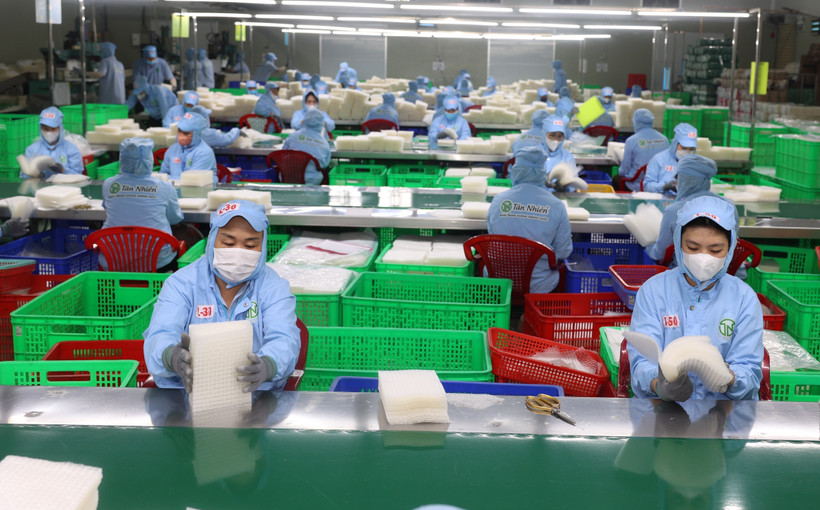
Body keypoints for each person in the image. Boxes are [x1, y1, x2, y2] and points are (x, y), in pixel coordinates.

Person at [143, 199, 301, 392]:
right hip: (185, 394)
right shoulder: (182, 284)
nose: (238, 253)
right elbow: (160, 334)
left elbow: (285, 338)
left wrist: (268, 365)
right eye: (228, 243)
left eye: (250, 246)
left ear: (263, 246)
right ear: (212, 240)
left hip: (257, 396)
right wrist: (171, 357)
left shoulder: (274, 288)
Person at [627, 195, 763, 401]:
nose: (703, 258)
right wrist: (659, 386)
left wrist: (728, 378)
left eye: (715, 250)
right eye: (692, 248)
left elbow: (749, 370)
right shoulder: (654, 291)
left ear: (730, 248)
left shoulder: (744, 299)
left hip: (722, 411)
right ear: (678, 243)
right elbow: (642, 361)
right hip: (662, 410)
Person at [487, 145, 572, 293]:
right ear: (542, 172)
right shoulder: (556, 205)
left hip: (498, 282)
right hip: (539, 285)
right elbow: (563, 252)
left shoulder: (498, 201)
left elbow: (492, 238)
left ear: (516, 170)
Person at [102, 137, 184, 271]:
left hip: (114, 259)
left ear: (122, 160)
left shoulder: (109, 185)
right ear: (149, 160)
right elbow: (175, 219)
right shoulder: (165, 187)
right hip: (157, 262)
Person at [647, 155, 733, 263]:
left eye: (677, 178)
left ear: (684, 179)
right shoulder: (728, 205)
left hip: (683, 271)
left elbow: (660, 253)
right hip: (724, 269)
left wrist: (648, 247)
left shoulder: (674, 211)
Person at [21, 107, 83, 179]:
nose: (49, 132)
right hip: (40, 186)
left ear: (60, 128)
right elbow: (24, 176)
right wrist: (35, 175)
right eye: (45, 128)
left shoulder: (71, 149)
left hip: (64, 186)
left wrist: (62, 170)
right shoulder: (31, 150)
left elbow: (78, 175)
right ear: (40, 128)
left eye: (53, 129)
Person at [617, 109, 670, 192]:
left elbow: (624, 170)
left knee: (616, 179)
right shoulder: (664, 140)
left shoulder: (631, 140)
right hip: (659, 186)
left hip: (636, 185)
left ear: (635, 122)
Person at [159, 112, 217, 183]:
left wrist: (169, 179)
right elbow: (162, 175)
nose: (180, 135)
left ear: (196, 134)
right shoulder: (173, 149)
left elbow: (192, 181)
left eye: (186, 133)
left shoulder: (204, 153)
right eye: (179, 131)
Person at [644, 123, 698, 195]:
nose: (687, 151)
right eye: (683, 148)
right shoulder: (659, 160)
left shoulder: (696, 163)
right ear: (675, 144)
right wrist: (664, 186)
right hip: (662, 200)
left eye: (691, 149)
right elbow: (647, 187)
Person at [281, 110, 331, 185]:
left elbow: (283, 153)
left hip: (289, 177)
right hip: (311, 180)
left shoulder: (293, 136)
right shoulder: (324, 143)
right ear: (321, 123)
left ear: (304, 121)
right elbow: (324, 165)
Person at [542, 115, 577, 181]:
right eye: (552, 135)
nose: (556, 140)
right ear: (544, 134)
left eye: (560, 136)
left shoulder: (567, 157)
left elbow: (573, 181)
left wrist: (563, 185)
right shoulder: (534, 154)